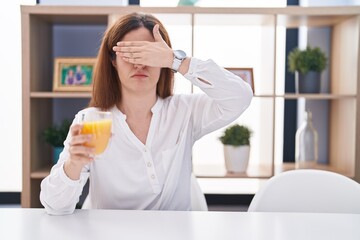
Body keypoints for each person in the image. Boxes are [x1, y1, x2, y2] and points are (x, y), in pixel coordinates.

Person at [40, 12, 253, 215]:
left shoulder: (185, 112)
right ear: (113, 61)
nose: (139, 63)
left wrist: (176, 61)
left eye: (149, 54)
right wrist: (73, 165)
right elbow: (55, 207)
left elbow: (241, 96)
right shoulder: (92, 119)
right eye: (130, 53)